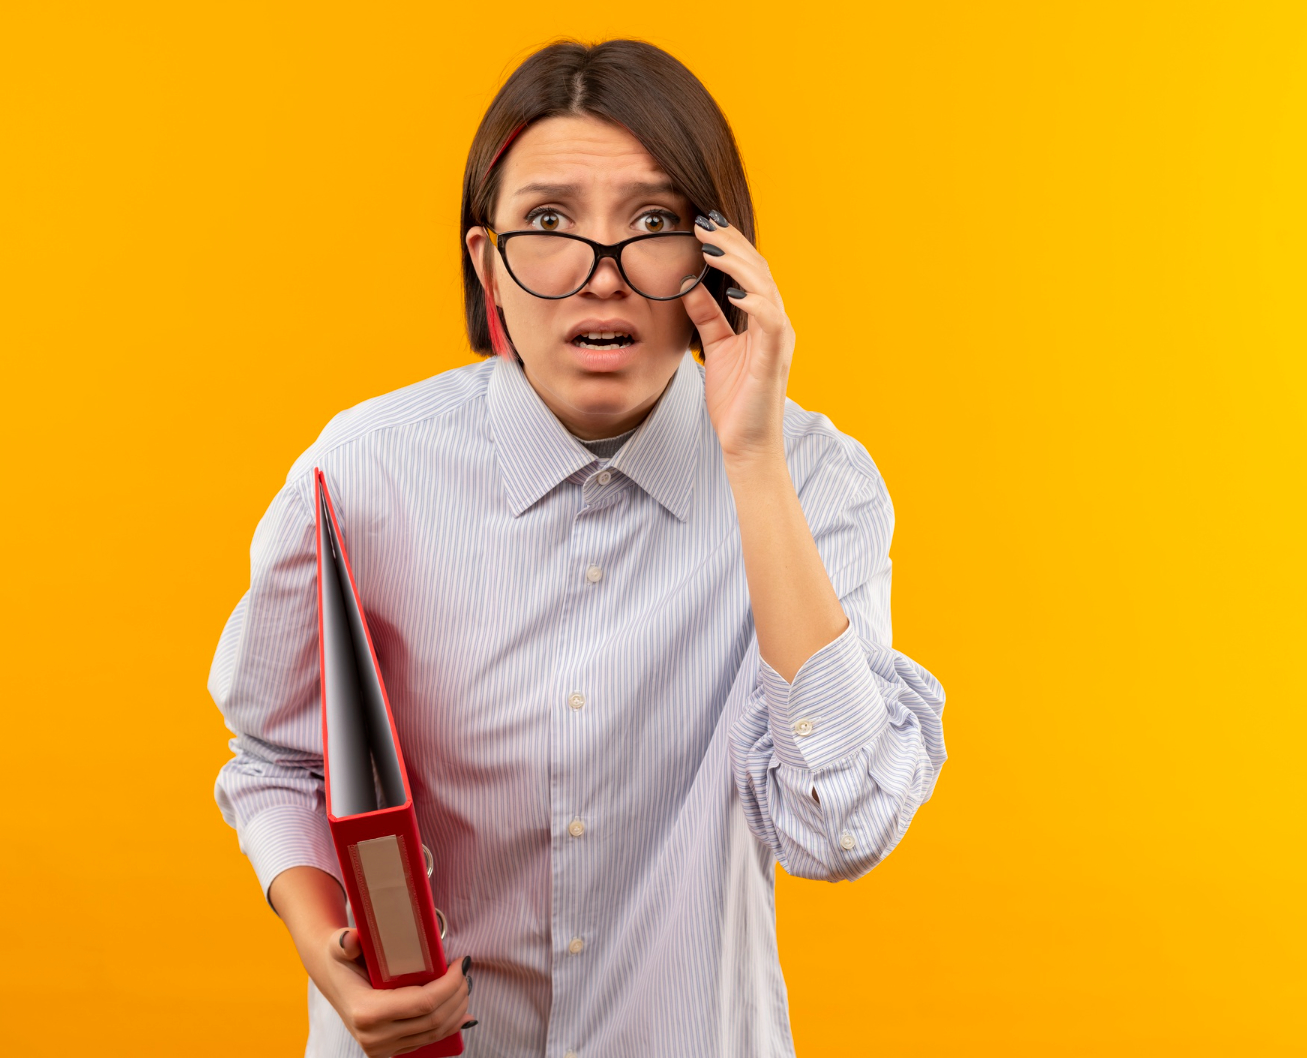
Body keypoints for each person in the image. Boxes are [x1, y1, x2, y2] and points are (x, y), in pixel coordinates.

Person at [209, 38, 947, 1058]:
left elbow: (843, 825)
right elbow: (279, 757)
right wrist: (320, 943)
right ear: (486, 265)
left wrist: (755, 458)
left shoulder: (817, 481)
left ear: (718, 259)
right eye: (549, 224)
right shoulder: (363, 473)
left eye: (652, 224)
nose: (601, 276)